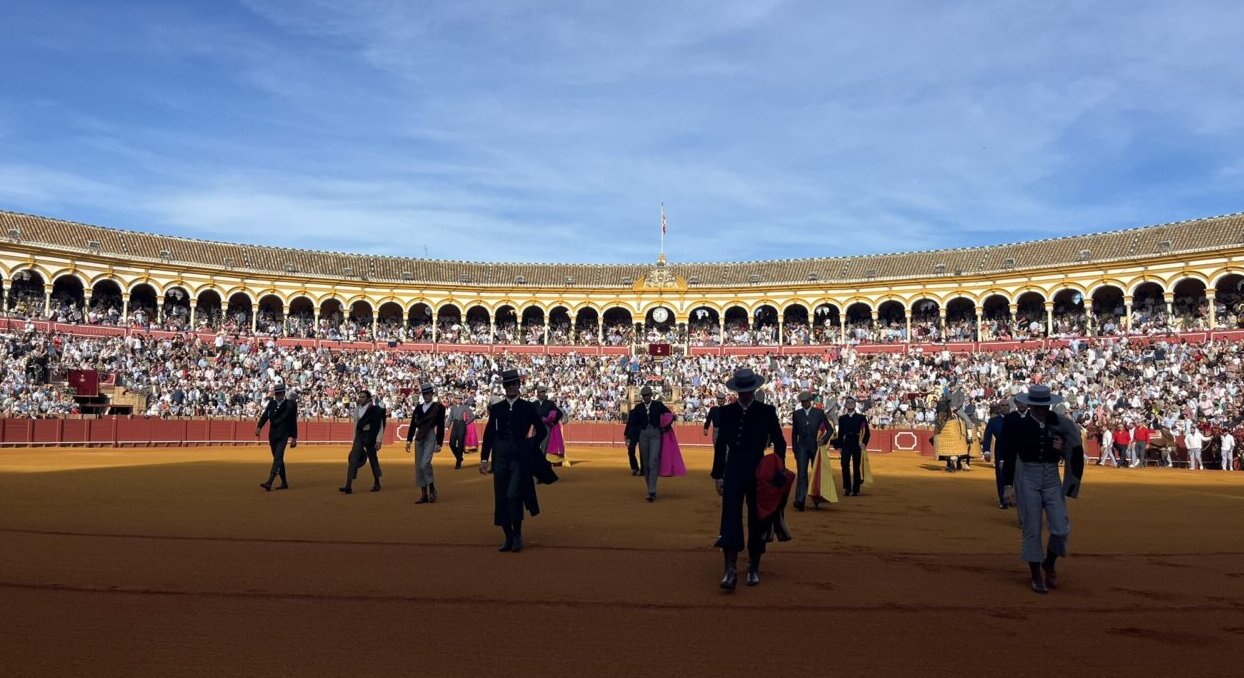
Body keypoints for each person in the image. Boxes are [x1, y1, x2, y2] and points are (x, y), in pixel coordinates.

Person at [1000, 384, 1085, 594]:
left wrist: (1063, 449)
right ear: (1030, 406)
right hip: (1028, 475)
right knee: (1032, 527)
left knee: (1061, 528)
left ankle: (1049, 563)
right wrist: (1008, 485)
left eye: (1044, 406)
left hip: (1051, 476)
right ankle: (1036, 573)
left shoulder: (1060, 423)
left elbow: (1075, 448)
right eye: (1037, 406)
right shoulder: (1017, 425)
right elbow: (1009, 454)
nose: (1041, 410)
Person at [711, 368, 787, 590]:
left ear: (753, 390)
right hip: (733, 469)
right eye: (741, 391)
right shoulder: (726, 412)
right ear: (737, 391)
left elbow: (780, 442)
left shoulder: (766, 411)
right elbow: (721, 446)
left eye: (748, 391)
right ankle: (730, 568)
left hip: (757, 470)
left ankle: (754, 564)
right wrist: (718, 475)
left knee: (758, 518)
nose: (745, 395)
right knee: (730, 516)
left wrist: (777, 467)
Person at [479, 369, 549, 553]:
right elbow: (489, 435)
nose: (511, 387)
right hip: (500, 456)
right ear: (504, 387)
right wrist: (484, 458)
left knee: (513, 495)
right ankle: (508, 536)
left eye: (514, 384)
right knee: (501, 497)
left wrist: (530, 444)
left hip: (519, 457)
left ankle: (517, 534)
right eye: (507, 384)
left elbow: (542, 430)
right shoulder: (497, 408)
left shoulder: (527, 407)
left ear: (519, 385)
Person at [625, 385, 670, 501]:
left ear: (651, 395)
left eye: (647, 395)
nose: (645, 397)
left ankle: (652, 491)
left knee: (653, 461)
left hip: (655, 434)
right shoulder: (638, 408)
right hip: (643, 435)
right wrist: (629, 436)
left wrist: (665, 428)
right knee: (645, 464)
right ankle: (650, 489)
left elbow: (670, 415)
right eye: (644, 396)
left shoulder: (658, 405)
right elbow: (632, 423)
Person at [790, 391, 832, 511]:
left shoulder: (819, 413)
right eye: (803, 402)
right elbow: (794, 434)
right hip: (802, 448)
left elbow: (830, 430)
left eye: (806, 401)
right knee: (802, 474)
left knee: (816, 473)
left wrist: (823, 440)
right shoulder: (797, 414)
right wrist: (795, 449)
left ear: (810, 400)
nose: (805, 403)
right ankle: (800, 500)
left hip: (816, 448)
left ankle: (817, 499)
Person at [340, 389, 387, 494]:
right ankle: (348, 485)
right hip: (360, 435)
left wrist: (379, 440)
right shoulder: (357, 409)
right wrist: (355, 438)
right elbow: (356, 425)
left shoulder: (375, 409)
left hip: (370, 435)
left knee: (373, 459)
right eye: (360, 397)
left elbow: (380, 426)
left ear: (368, 398)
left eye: (363, 397)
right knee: (353, 459)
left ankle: (377, 482)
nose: (361, 399)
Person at [405, 383, 446, 503]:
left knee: (424, 464)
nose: (426, 395)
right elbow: (413, 424)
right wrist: (408, 440)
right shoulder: (418, 407)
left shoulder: (439, 407)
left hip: (430, 435)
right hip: (419, 436)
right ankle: (424, 493)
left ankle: (432, 488)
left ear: (432, 394)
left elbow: (441, 426)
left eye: (428, 393)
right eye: (424, 393)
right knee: (419, 466)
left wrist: (439, 442)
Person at [255, 382, 297, 491]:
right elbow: (265, 416)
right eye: (277, 394)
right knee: (278, 459)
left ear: (283, 393)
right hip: (273, 434)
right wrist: (259, 427)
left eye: (280, 393)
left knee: (278, 457)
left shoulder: (290, 404)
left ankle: (270, 481)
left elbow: (293, 421)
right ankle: (284, 482)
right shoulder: (272, 403)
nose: (278, 395)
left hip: (284, 434)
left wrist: (294, 438)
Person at [832, 396, 871, 497]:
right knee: (844, 464)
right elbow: (840, 434)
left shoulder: (861, 418)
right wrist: (839, 446)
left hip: (857, 443)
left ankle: (856, 489)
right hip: (846, 443)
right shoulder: (842, 418)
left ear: (854, 404)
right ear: (845, 405)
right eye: (848, 402)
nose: (850, 404)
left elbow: (867, 433)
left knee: (856, 466)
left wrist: (864, 443)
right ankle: (847, 488)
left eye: (851, 402)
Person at [981, 403, 1007, 508]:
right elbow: (987, 436)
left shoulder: (1016, 418)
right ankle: (1003, 499)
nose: (1005, 407)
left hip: (1016, 451)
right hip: (1000, 451)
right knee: (1001, 475)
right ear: (999, 409)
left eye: (1007, 405)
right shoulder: (993, 421)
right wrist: (986, 451)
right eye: (1003, 405)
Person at [536, 386, 567, 467]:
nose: (543, 393)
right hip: (536, 428)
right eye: (541, 392)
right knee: (535, 446)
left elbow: (559, 413)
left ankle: (541, 463)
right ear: (537, 393)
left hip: (546, 427)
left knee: (544, 446)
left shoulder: (550, 404)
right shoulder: (533, 404)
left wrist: (552, 422)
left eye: (544, 392)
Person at [447, 395, 470, 469]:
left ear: (461, 400)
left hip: (462, 425)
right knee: (451, 443)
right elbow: (450, 418)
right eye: (457, 399)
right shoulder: (453, 408)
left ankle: (458, 463)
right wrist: (447, 426)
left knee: (460, 444)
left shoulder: (465, 407)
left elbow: (472, 416)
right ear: (455, 400)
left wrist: (466, 422)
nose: (458, 400)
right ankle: (459, 457)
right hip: (455, 425)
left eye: (460, 399)